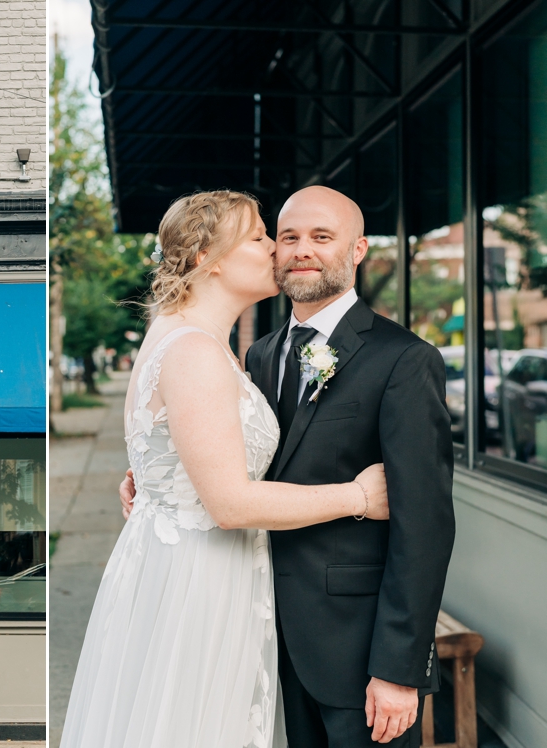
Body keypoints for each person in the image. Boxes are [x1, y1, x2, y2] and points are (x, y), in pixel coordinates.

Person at [119, 186, 455, 747]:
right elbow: (226, 461)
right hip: (260, 630)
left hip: (359, 650)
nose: (301, 250)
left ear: (358, 250)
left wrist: (399, 668)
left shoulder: (404, 359)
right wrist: (158, 470)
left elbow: (426, 526)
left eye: (322, 237)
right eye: (288, 237)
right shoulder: (259, 354)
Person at [60, 190, 391, 748]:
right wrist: (357, 496)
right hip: (199, 582)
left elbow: (182, 449)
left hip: (188, 565)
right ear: (206, 259)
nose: (275, 248)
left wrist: (152, 476)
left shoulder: (197, 343)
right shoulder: (193, 350)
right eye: (260, 236)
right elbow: (230, 504)